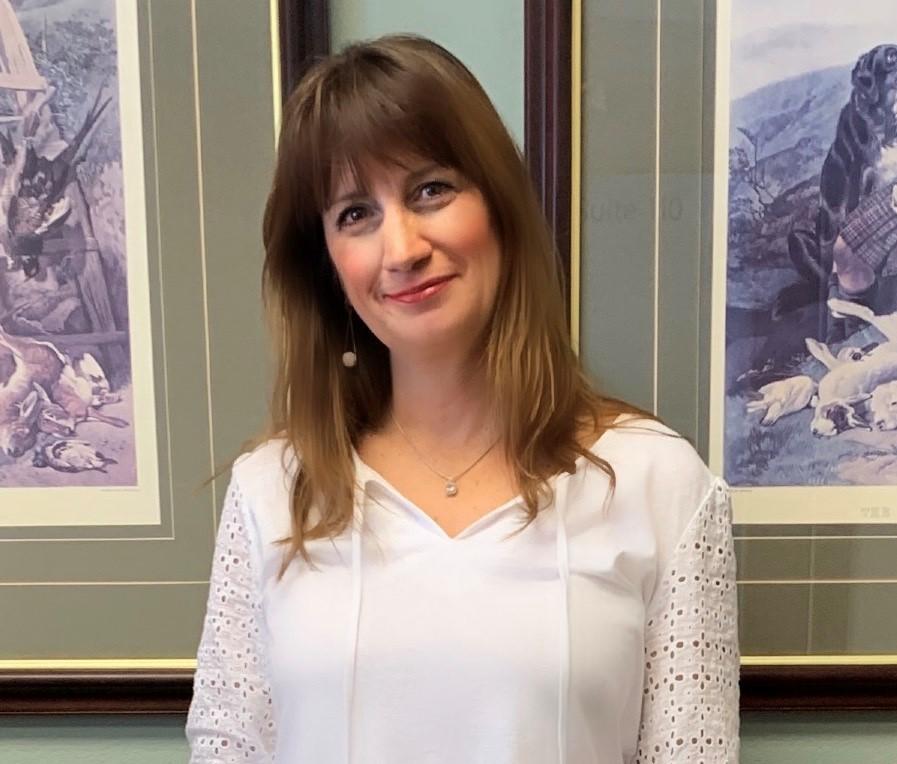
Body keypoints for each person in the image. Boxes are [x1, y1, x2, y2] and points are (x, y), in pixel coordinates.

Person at [185, 33, 740, 763]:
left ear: (501, 208)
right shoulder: (270, 495)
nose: (403, 247)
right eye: (355, 214)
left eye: (430, 190)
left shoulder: (660, 485)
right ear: (326, 267)